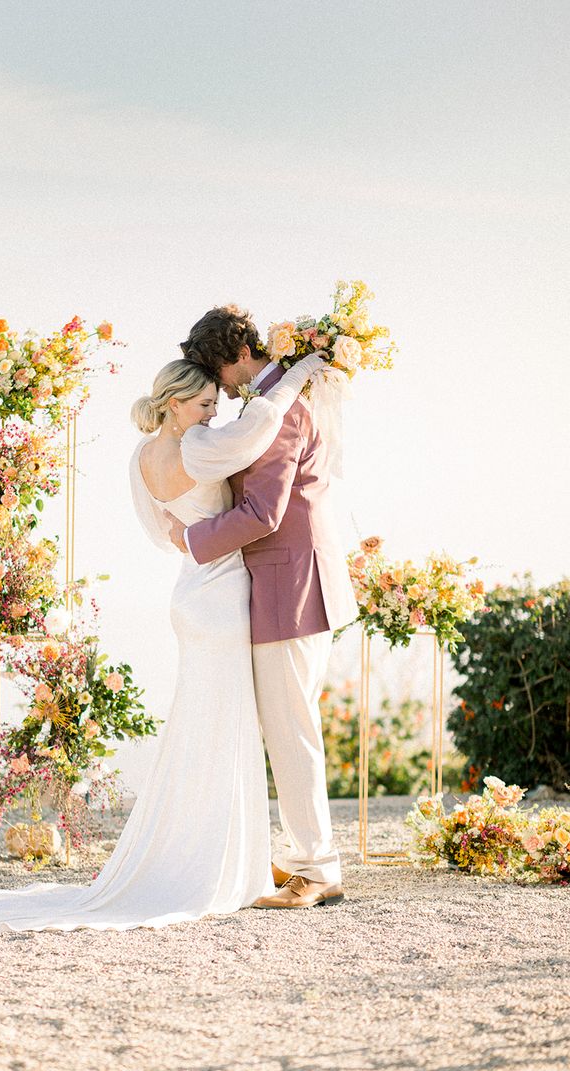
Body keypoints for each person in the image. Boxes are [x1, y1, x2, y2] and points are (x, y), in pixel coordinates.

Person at [0, 349, 327, 933]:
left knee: (203, 726)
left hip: (189, 594)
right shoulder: (200, 448)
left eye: (215, 405)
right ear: (173, 406)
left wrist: (186, 536)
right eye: (204, 404)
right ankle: (224, 860)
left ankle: (213, 852)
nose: (215, 414)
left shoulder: (142, 457)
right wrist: (297, 374)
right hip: (221, 597)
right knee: (229, 727)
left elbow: (161, 531)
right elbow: (261, 431)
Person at [166, 304, 359, 909]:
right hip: (295, 580)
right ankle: (306, 853)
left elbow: (264, 513)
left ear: (230, 358)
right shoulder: (281, 398)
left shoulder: (277, 411)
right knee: (290, 725)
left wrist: (190, 539)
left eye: (214, 375)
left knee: (291, 728)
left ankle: (318, 867)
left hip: (288, 585)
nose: (218, 392)